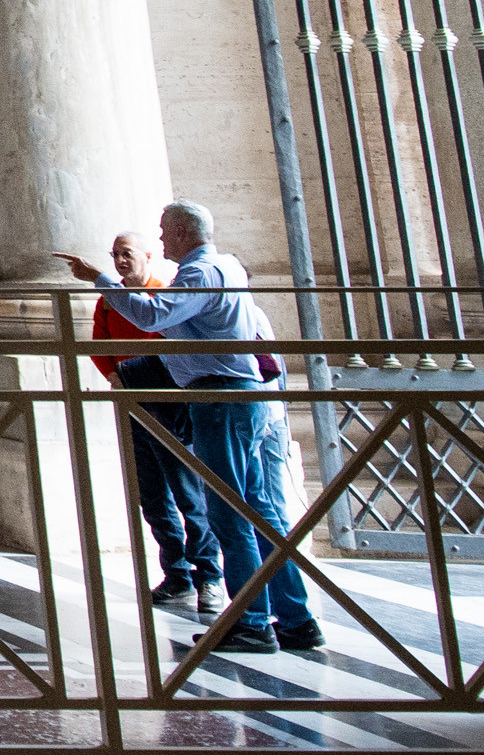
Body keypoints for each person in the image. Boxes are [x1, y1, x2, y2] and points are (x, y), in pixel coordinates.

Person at [58, 202, 324, 654]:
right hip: (235, 396)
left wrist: (98, 279)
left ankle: (252, 622)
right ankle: (296, 619)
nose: (162, 240)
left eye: (165, 232)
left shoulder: (201, 273)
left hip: (220, 397)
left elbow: (151, 317)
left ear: (183, 232)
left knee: (230, 514)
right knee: (260, 512)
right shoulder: (228, 265)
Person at [91, 226, 212, 612]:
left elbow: (173, 342)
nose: (120, 261)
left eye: (126, 253)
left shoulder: (166, 294)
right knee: (152, 494)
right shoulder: (109, 302)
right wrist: (115, 376)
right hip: (130, 399)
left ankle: (209, 575)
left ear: (147, 256)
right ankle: (176, 574)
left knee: (187, 491)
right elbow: (98, 345)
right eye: (115, 254)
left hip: (168, 402)